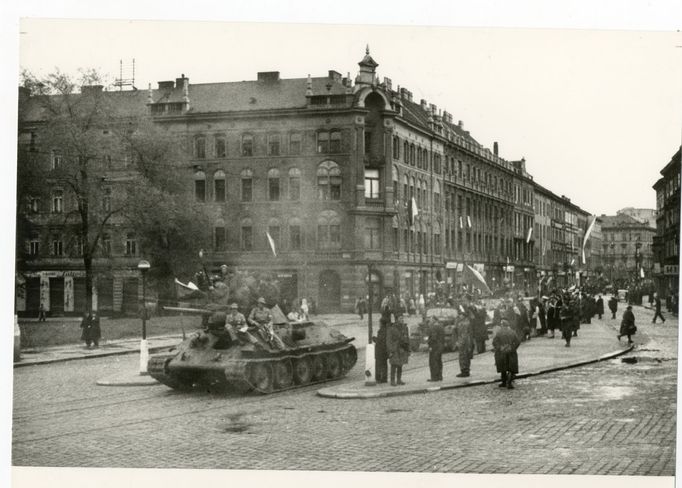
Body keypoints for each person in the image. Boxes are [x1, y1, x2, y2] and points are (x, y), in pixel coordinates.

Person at [493, 318, 520, 389]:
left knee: (503, 367)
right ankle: (509, 382)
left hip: (501, 352)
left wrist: (499, 347)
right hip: (511, 352)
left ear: (502, 325)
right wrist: (512, 348)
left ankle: (504, 382)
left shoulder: (499, 333)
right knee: (511, 368)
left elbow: (494, 342)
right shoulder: (512, 332)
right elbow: (517, 342)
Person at [387, 316, 410, 386]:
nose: (402, 320)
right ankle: (392, 380)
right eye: (400, 318)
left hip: (402, 348)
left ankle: (399, 379)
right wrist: (390, 350)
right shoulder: (392, 328)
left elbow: (407, 338)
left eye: (403, 318)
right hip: (395, 349)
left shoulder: (405, 328)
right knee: (394, 365)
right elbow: (389, 340)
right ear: (396, 319)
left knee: (400, 364)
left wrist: (408, 349)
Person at [456, 308, 474, 377]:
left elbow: (464, 334)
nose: (459, 316)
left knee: (463, 356)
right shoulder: (465, 322)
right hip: (467, 342)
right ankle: (466, 370)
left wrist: (460, 342)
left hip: (464, 342)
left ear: (463, 316)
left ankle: (464, 371)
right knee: (465, 356)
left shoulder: (464, 324)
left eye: (460, 315)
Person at [427, 317, 445, 382]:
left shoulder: (433, 327)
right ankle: (440, 376)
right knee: (439, 361)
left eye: (430, 320)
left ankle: (434, 377)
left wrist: (430, 346)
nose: (429, 321)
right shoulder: (441, 326)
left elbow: (433, 338)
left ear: (434, 320)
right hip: (440, 346)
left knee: (433, 362)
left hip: (434, 347)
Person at [373, 318, 389, 384]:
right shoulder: (386, 330)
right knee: (384, 365)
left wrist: (374, 339)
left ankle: (378, 379)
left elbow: (380, 341)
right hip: (385, 350)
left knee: (378, 365)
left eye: (379, 323)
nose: (379, 324)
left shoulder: (381, 331)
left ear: (381, 324)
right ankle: (384, 378)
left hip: (380, 351)